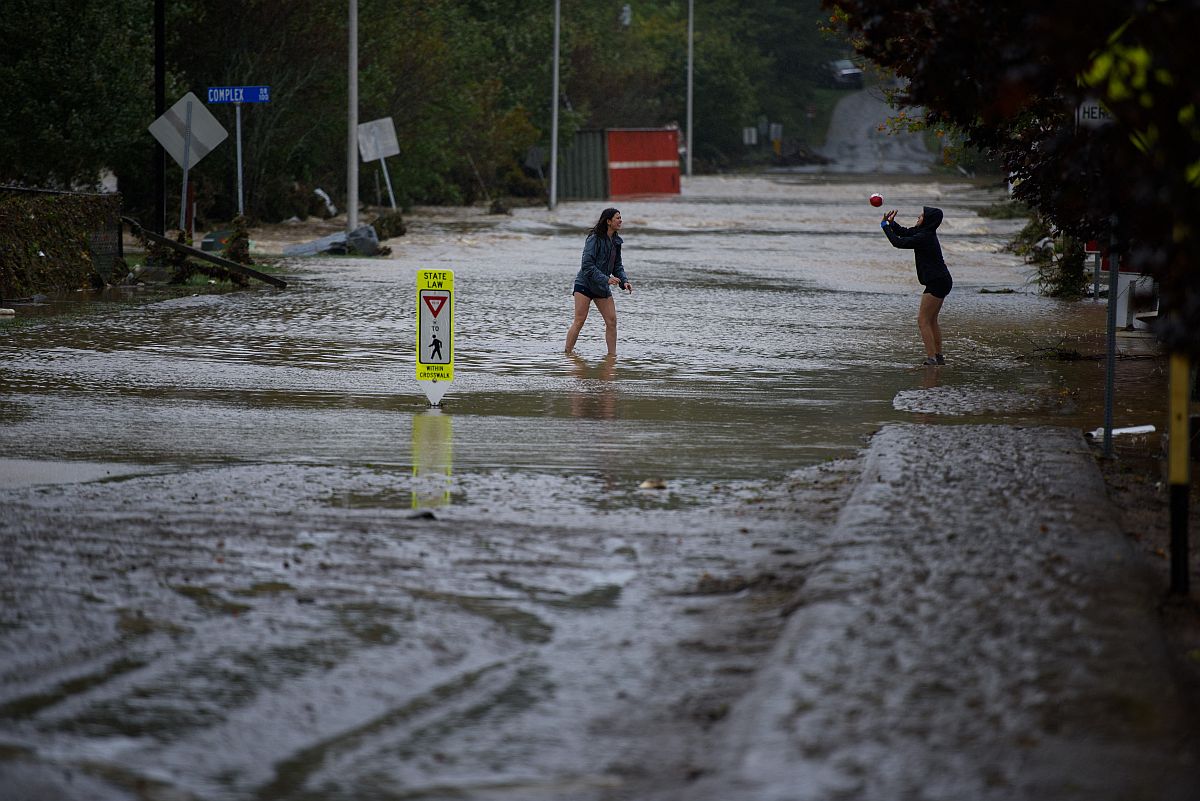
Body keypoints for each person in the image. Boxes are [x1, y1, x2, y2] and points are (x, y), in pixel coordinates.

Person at [881, 206, 953, 366]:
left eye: (921, 216)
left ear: (927, 220)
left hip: (937, 281)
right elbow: (906, 232)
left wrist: (884, 227)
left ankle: (931, 359)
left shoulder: (925, 237)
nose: (918, 217)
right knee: (932, 320)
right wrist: (892, 224)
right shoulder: (924, 233)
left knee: (923, 320)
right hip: (942, 280)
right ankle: (938, 356)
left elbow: (898, 242)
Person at [564, 207, 633, 356]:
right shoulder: (594, 239)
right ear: (608, 221)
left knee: (612, 321)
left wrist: (624, 281)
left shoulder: (616, 241)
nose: (621, 220)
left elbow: (617, 265)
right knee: (579, 320)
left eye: (621, 217)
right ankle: (567, 354)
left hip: (602, 286)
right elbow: (587, 266)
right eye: (617, 218)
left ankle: (612, 357)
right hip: (585, 284)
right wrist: (607, 279)